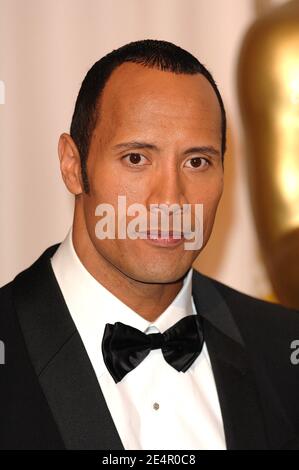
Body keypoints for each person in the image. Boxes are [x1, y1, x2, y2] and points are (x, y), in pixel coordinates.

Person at [0, 39, 298, 450]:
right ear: (73, 166)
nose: (170, 201)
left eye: (197, 162)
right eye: (137, 158)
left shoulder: (285, 350)